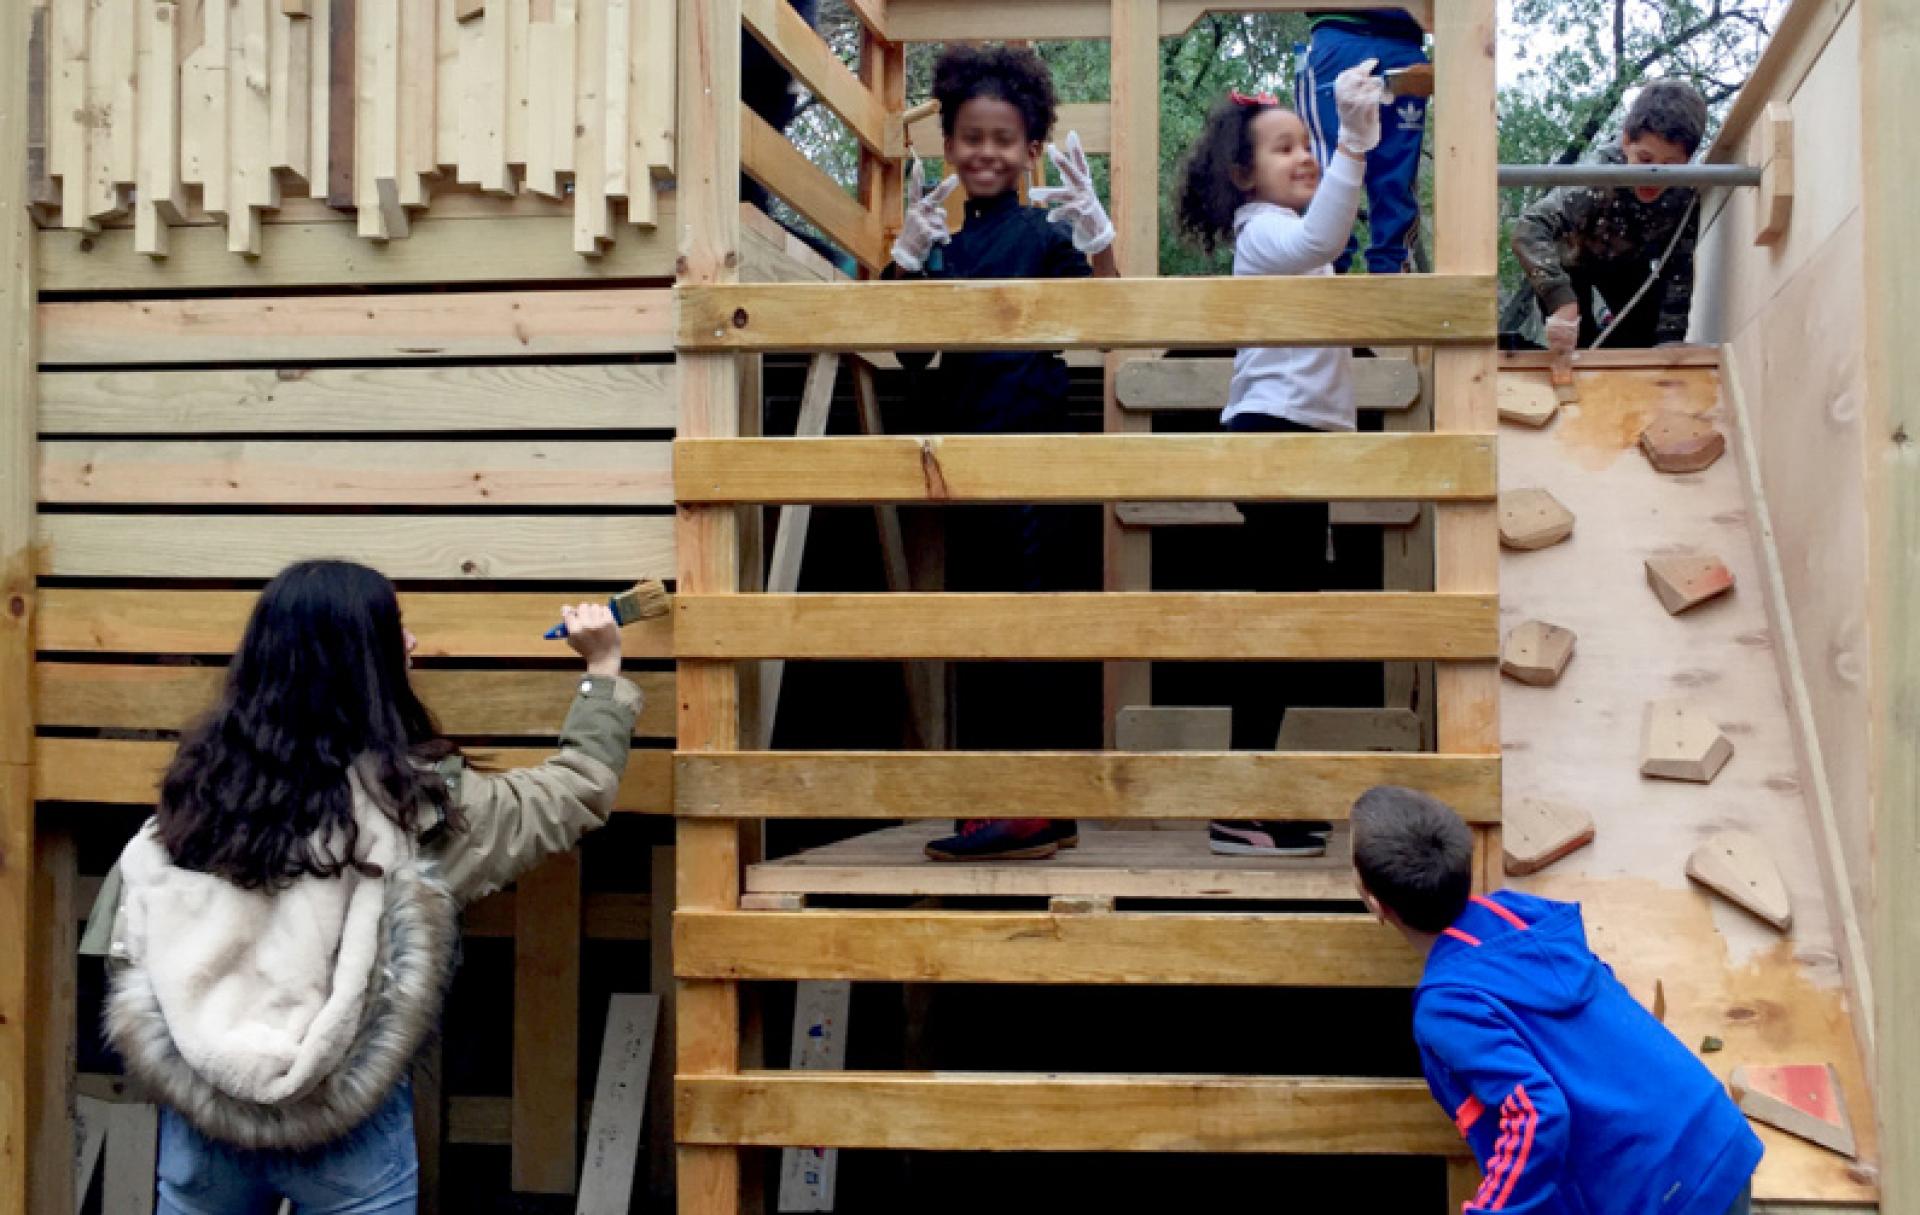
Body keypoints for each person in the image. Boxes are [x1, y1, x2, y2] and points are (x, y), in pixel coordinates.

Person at [81, 560, 642, 1214]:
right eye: (396, 629)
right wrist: (602, 671)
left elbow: (116, 942)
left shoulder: (188, 807)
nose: (413, 644)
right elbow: (568, 793)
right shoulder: (417, 811)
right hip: (348, 1118)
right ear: (367, 657)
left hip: (206, 1115)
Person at [891, 44, 1117, 862]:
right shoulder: (939, 244)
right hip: (965, 459)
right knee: (982, 625)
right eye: (970, 136)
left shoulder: (1045, 233)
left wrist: (1098, 239)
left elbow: (1105, 313)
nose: (986, 151)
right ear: (947, 145)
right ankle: (1015, 804)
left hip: (1038, 452)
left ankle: (1035, 806)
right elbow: (906, 353)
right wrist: (903, 263)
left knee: (1032, 625)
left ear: (1030, 149)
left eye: (1004, 138)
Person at [1350, 785, 1764, 1215]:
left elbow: (1535, 1114)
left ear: (1377, 904)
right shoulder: (1523, 917)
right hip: (1714, 1135)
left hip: (1663, 1190)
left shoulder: (1448, 1004)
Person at [1172, 65, 1384, 858]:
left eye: (1310, 144)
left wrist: (1352, 154)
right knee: (1274, 626)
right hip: (1274, 437)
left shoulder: (1295, 248)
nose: (1304, 156)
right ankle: (1240, 804)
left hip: (1301, 445)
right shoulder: (1262, 234)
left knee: (1288, 623)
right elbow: (1322, 234)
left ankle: (1258, 796)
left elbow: (1327, 238)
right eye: (1284, 147)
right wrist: (1353, 150)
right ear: (1242, 175)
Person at [1513, 79, 1710, 353]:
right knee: (1575, 342)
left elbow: (1679, 265)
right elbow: (1530, 227)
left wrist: (1670, 338)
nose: (1653, 176)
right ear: (1627, 141)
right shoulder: (1597, 176)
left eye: (1670, 166)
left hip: (1628, 263)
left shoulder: (1684, 192)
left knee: (1641, 341)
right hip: (1571, 261)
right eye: (1645, 160)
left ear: (1686, 162)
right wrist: (1560, 301)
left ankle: (1613, 325)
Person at [1300, 10, 1429, 274]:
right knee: (1388, 177)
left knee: (1333, 168)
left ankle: (1371, 276)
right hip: (1349, 33)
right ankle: (1337, 272)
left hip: (1391, 41)